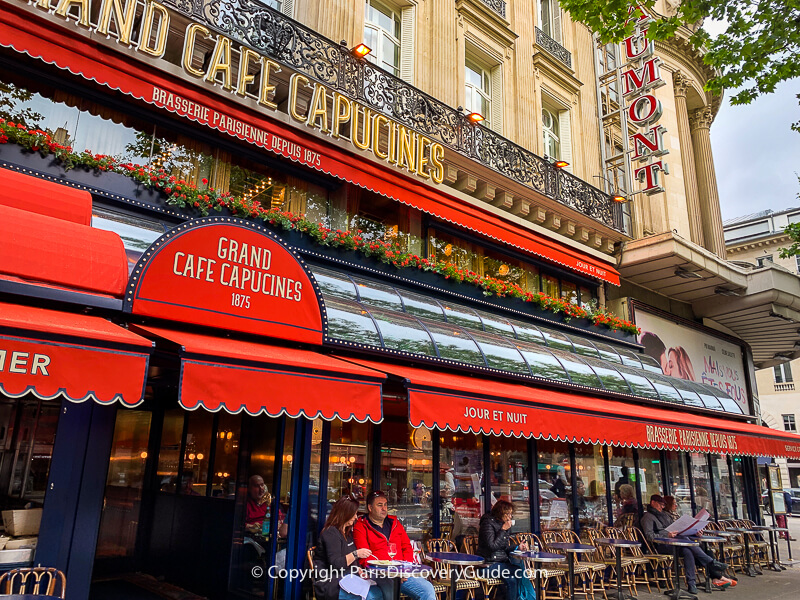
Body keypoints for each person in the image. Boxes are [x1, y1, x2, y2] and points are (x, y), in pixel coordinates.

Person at [640, 494, 734, 593]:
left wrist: (693, 530)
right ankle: (710, 563)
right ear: (653, 502)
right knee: (688, 547)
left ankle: (692, 584)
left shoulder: (664, 515)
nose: (662, 507)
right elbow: (649, 536)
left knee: (687, 550)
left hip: (675, 543)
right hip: (661, 546)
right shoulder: (648, 517)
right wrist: (667, 535)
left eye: (663, 505)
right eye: (660, 504)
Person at [353, 490, 436, 600]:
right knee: (391, 592)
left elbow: (407, 546)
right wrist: (389, 571)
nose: (384, 508)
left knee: (427, 589)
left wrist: (405, 570)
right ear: (370, 508)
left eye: (385, 505)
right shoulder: (361, 526)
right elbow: (364, 555)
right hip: (379, 573)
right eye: (379, 505)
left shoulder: (395, 522)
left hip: (402, 573)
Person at [314, 496, 384, 600]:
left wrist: (359, 570)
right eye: (354, 514)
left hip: (347, 579)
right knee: (373, 596)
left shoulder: (347, 533)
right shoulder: (331, 533)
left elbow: (351, 561)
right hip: (330, 583)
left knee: (379, 591)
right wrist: (356, 554)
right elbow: (336, 564)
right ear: (345, 514)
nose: (356, 517)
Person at [477, 500, 529, 600]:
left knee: (512, 580)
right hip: (487, 565)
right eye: (508, 514)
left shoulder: (503, 524)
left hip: (500, 565)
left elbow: (503, 548)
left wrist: (518, 546)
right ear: (500, 513)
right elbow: (492, 546)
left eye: (511, 514)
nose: (510, 517)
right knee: (518, 570)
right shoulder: (487, 523)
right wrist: (503, 530)